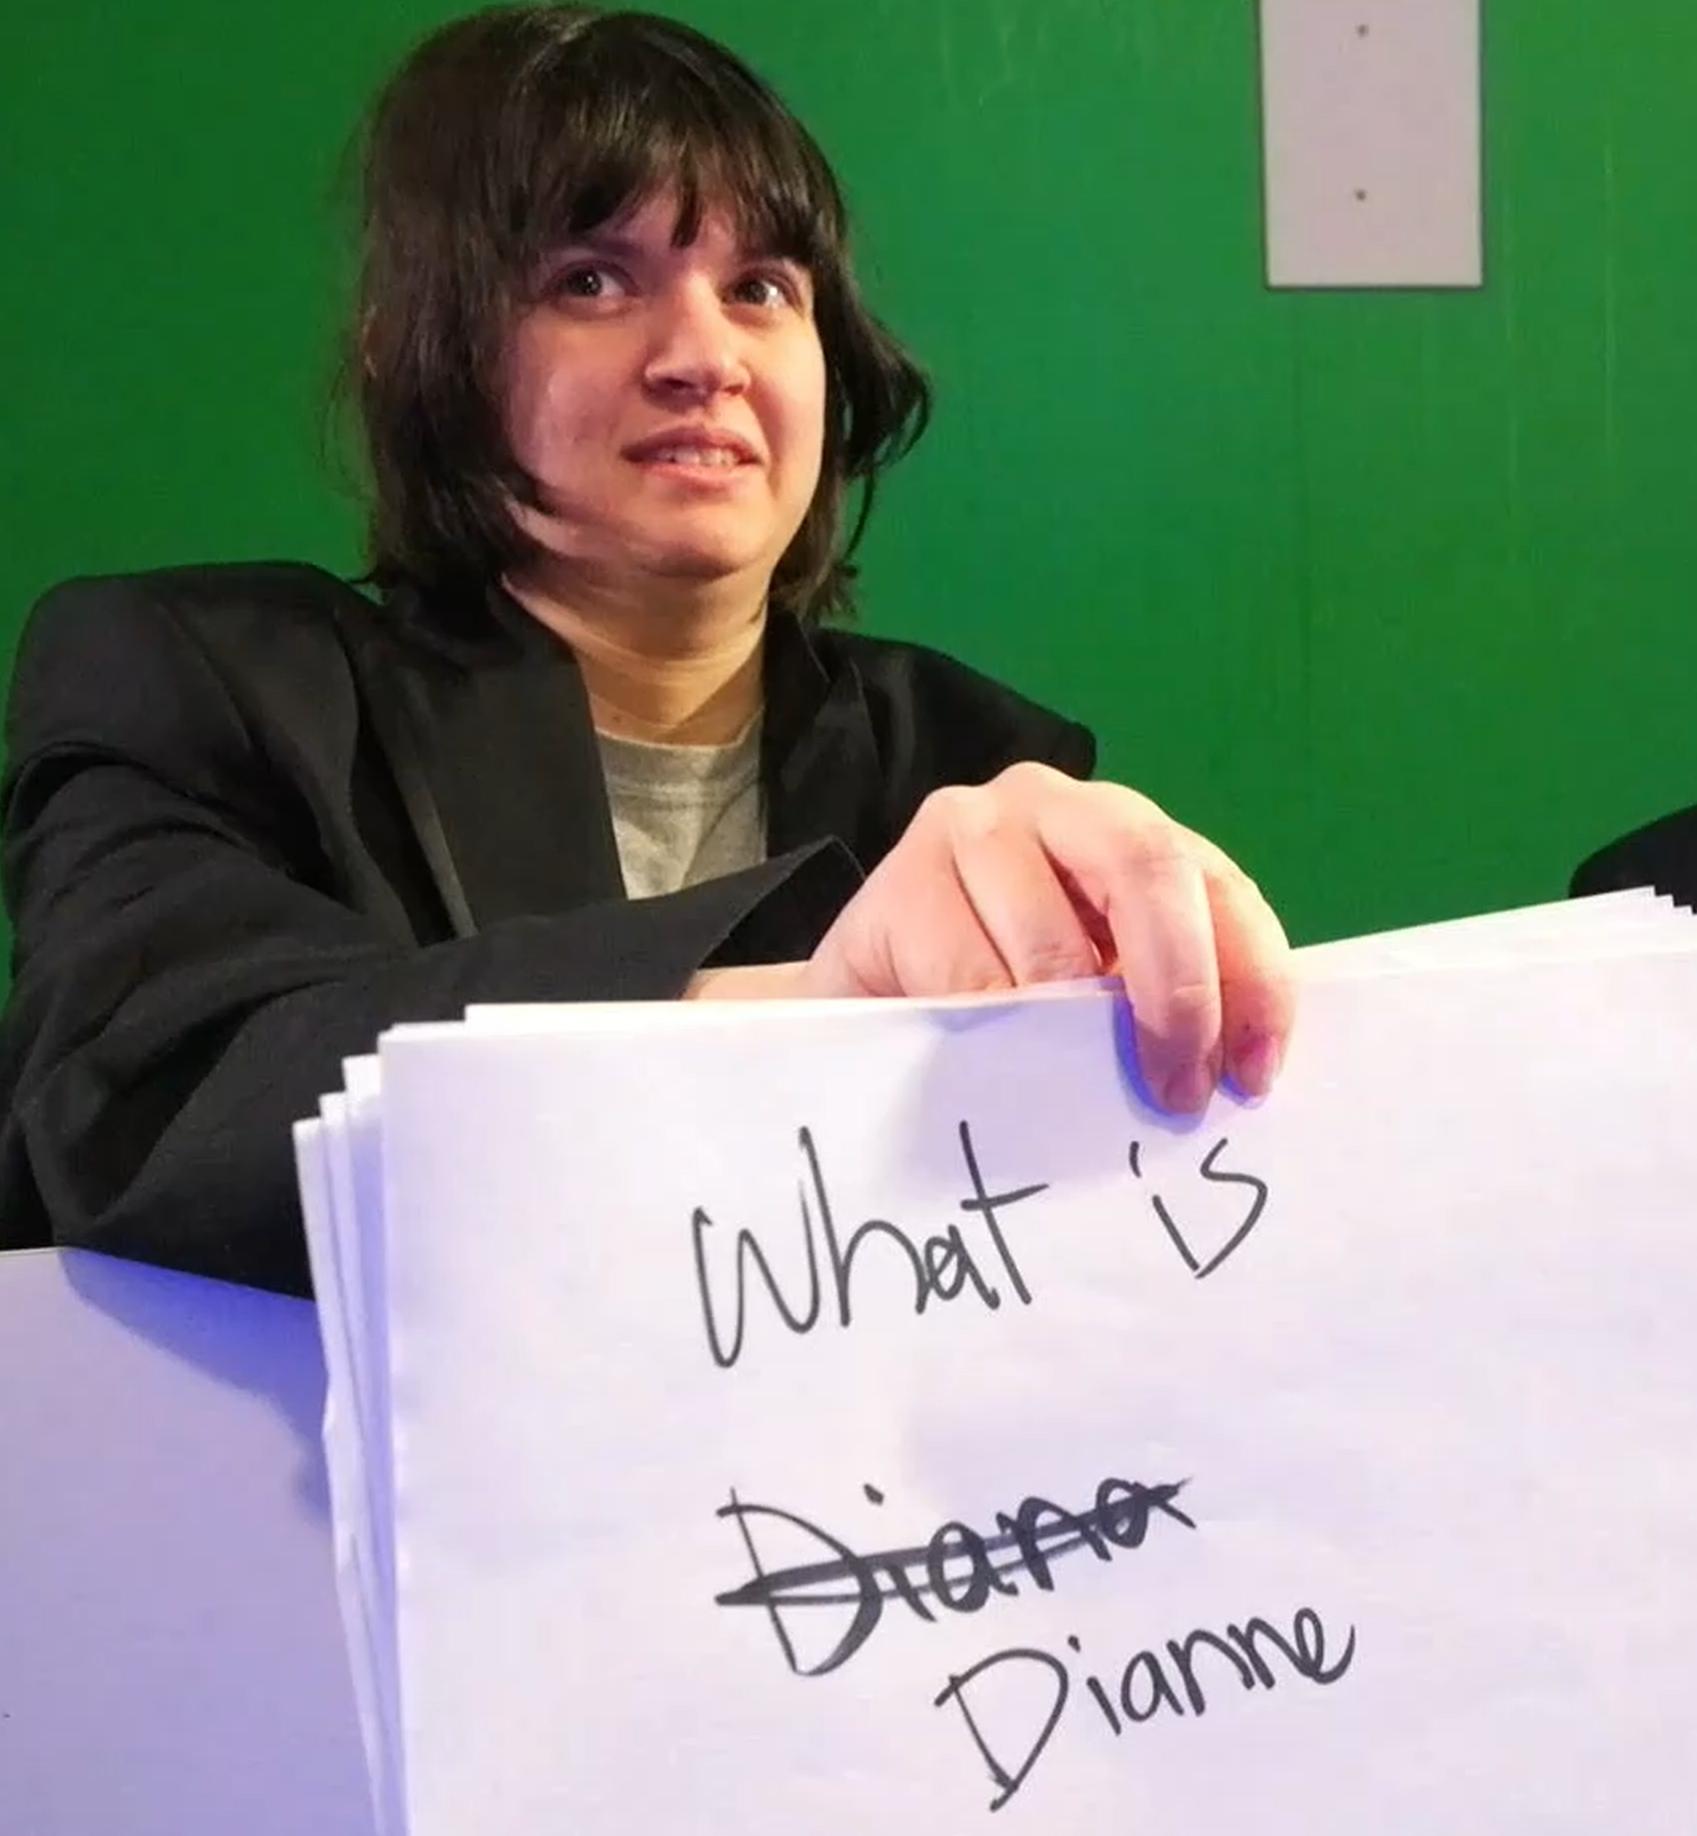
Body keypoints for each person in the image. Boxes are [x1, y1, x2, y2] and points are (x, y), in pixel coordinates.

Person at [0, 4, 1295, 1296]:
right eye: (592, 281)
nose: (704, 357)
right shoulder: (194, 679)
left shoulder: (976, 763)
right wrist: (822, 1016)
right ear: (419, 353)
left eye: (761, 289)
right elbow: (145, 1107)